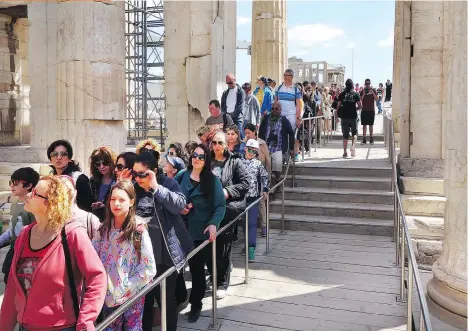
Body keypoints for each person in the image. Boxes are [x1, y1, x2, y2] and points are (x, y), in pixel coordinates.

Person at [0, 175, 107, 331]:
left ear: (51, 203)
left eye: (36, 193)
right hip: (25, 326)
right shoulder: (24, 234)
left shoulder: (72, 234)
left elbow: (97, 276)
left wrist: (86, 320)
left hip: (61, 327)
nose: (29, 194)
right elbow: (12, 288)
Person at [132, 152, 194, 331]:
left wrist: (156, 188)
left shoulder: (168, 183)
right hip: (141, 257)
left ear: (153, 171)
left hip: (165, 255)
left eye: (142, 174)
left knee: (166, 301)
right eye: (135, 173)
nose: (138, 178)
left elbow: (179, 205)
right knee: (144, 302)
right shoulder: (132, 188)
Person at [93, 180, 157, 331]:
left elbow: (149, 268)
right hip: (107, 294)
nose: (117, 204)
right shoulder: (102, 229)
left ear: (131, 201)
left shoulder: (138, 229)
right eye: (113, 199)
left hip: (131, 296)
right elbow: (93, 257)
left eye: (122, 200)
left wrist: (127, 287)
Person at [175, 143, 226, 323]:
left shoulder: (212, 181)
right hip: (179, 230)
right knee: (175, 269)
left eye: (201, 156)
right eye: (195, 155)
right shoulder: (181, 176)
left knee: (197, 272)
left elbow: (220, 206)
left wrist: (213, 224)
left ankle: (196, 304)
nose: (197, 159)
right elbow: (173, 199)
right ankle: (178, 299)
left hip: (199, 232)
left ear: (207, 160)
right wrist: (181, 208)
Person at [210, 131, 249, 299]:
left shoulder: (235, 161)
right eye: (214, 143)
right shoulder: (207, 161)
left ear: (226, 144)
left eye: (220, 142)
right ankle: (213, 276)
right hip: (207, 209)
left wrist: (228, 191)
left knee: (223, 246)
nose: (216, 146)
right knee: (208, 246)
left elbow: (245, 184)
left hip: (227, 209)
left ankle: (222, 282)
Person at [0, 168, 39, 284]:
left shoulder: (35, 206)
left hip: (28, 255)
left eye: (16, 182)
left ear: (28, 185)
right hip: (14, 251)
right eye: (11, 182)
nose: (12, 185)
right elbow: (12, 230)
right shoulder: (15, 203)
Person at [47, 139, 93, 212]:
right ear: (50, 159)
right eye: (54, 154)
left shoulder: (79, 178)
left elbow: (86, 208)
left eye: (63, 154)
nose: (59, 157)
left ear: (69, 159)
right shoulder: (49, 180)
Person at [242, 139, 269, 262]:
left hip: (253, 198)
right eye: (250, 149)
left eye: (255, 150)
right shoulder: (238, 161)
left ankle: (251, 249)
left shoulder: (258, 164)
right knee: (243, 223)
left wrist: (265, 189)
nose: (252, 152)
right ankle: (247, 244)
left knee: (252, 223)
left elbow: (265, 177)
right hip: (240, 198)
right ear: (245, 148)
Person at [244, 123, 271, 237]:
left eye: (248, 133)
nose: (247, 135)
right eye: (245, 133)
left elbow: (268, 162)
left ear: (254, 132)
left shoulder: (261, 144)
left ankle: (264, 225)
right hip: (246, 182)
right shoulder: (243, 143)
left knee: (260, 203)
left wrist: (267, 184)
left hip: (259, 180)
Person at [275, 69, 302, 160]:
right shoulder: (279, 88)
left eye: (288, 75)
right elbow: (275, 102)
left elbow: (299, 105)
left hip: (291, 115)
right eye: (285, 75)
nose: (286, 77)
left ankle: (294, 153)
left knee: (292, 135)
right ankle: (283, 154)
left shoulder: (295, 89)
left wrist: (298, 118)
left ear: (292, 77)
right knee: (281, 135)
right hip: (280, 115)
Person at [89, 147, 117, 221]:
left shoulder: (117, 180)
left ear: (112, 162)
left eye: (105, 163)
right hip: (97, 221)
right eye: (98, 164)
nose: (101, 166)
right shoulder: (93, 180)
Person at [336, 78, 362, 158]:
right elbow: (360, 106)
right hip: (353, 117)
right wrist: (355, 109)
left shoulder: (342, 94)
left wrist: (337, 116)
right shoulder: (356, 94)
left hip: (344, 117)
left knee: (345, 135)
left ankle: (344, 152)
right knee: (354, 133)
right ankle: (353, 147)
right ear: (352, 85)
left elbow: (338, 107)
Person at [360, 78, 378, 144]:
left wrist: (372, 92)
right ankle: (364, 139)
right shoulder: (362, 91)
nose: (367, 85)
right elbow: (360, 100)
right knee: (364, 125)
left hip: (371, 110)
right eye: (366, 84)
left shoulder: (373, 90)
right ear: (364, 84)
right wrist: (364, 94)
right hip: (364, 110)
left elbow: (376, 99)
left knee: (371, 125)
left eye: (368, 83)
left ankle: (371, 138)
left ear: (370, 84)